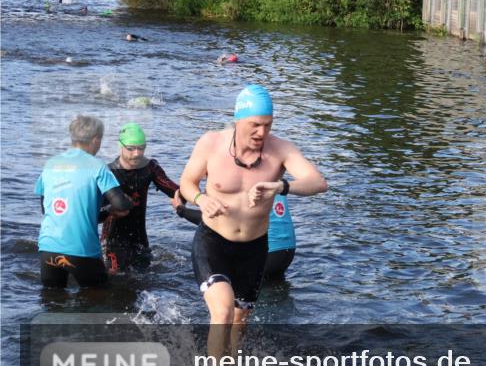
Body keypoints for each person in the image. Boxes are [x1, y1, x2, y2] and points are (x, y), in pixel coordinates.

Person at [179, 85, 326, 328]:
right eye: (255, 125)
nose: (262, 132)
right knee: (223, 312)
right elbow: (187, 182)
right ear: (238, 120)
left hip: (254, 247)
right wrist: (201, 199)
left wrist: (281, 186)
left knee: (239, 320)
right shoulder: (211, 143)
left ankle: (229, 355)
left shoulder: (280, 149)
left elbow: (318, 182)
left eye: (268, 125)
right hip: (213, 240)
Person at [35, 116, 133, 288]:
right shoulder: (97, 166)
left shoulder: (50, 164)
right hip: (81, 251)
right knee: (99, 297)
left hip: (48, 248)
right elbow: (121, 204)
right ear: (96, 139)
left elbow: (46, 209)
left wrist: (105, 212)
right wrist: (126, 203)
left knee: (52, 299)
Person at [100, 123, 185, 273]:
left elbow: (174, 190)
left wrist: (190, 198)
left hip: (139, 239)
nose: (137, 153)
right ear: (120, 146)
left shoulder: (150, 168)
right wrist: (110, 210)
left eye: (141, 148)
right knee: (115, 280)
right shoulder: (108, 172)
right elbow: (92, 213)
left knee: (145, 278)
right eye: (131, 148)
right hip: (113, 241)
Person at [175, 192, 296, 281]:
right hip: (287, 251)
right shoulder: (270, 177)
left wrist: (181, 210)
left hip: (267, 253)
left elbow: (215, 221)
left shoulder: (240, 185)